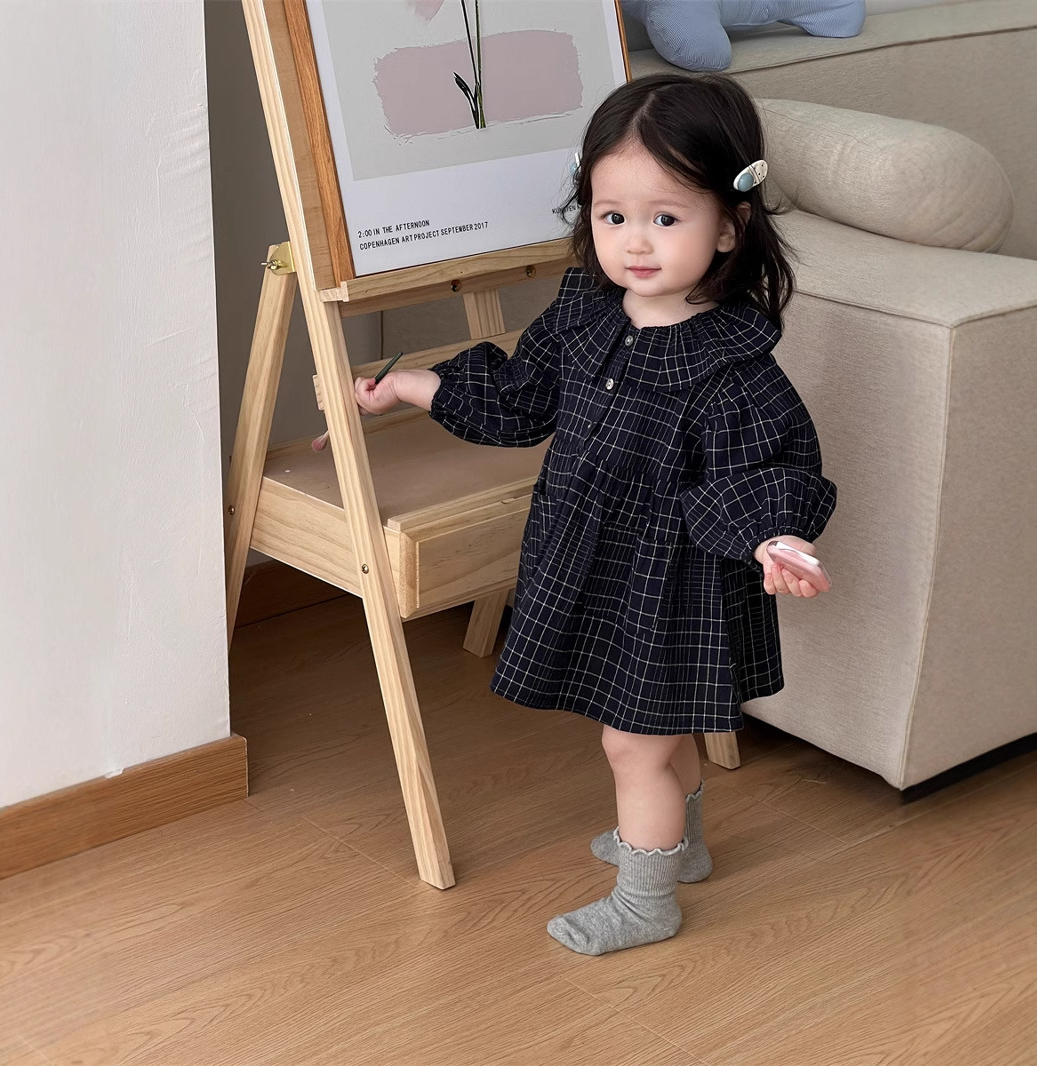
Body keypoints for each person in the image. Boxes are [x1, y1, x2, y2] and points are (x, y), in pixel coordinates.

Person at [354, 73, 837, 955]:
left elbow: (767, 467)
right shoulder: (585, 315)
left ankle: (646, 901)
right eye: (614, 216)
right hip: (595, 558)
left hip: (674, 585)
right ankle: (681, 849)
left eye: (667, 217)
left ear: (729, 226)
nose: (635, 242)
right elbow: (519, 399)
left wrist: (776, 539)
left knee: (634, 744)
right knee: (659, 727)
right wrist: (412, 386)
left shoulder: (728, 367)